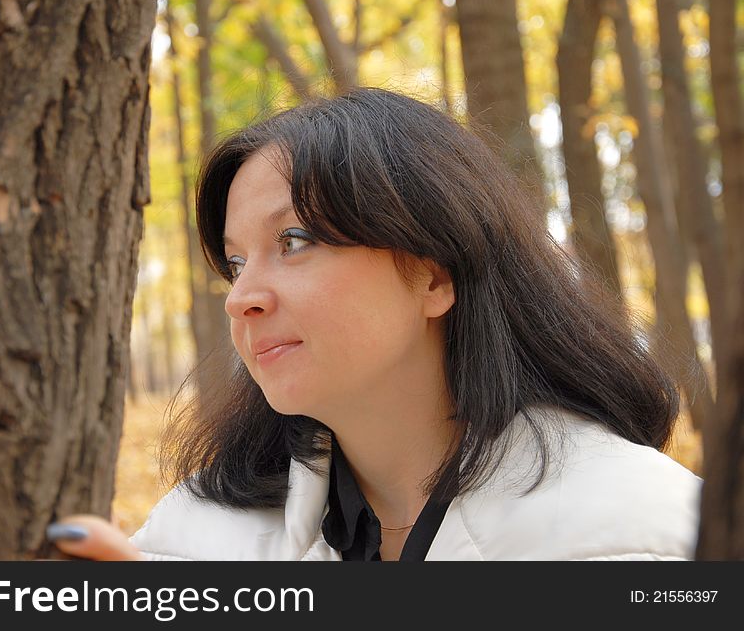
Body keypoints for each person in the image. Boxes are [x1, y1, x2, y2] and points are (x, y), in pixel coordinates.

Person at [47, 87, 702, 561]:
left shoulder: (640, 535)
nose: (240, 296)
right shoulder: (195, 537)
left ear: (434, 275)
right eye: (237, 262)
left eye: (295, 239)